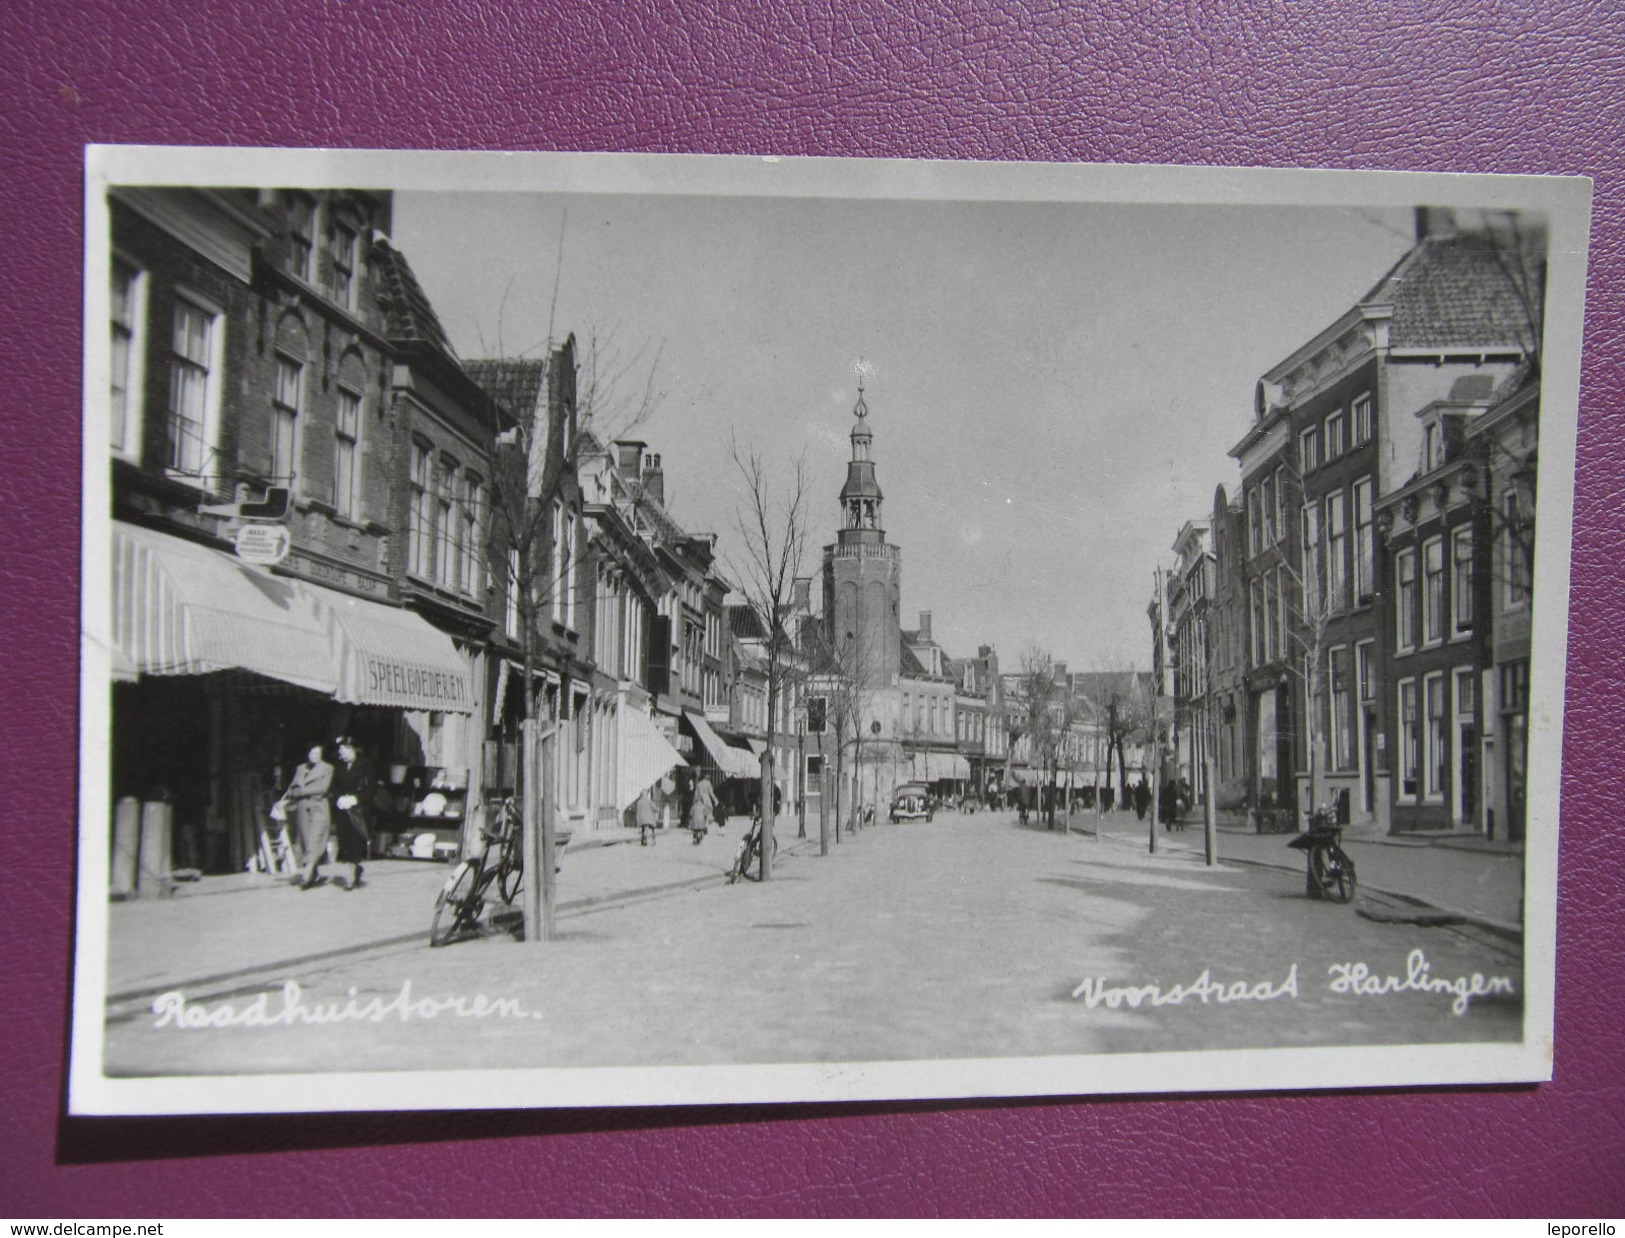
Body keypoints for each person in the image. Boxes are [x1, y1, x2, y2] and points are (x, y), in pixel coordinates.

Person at [286, 744, 335, 890]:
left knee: (315, 839)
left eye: (317, 752)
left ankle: (306, 875)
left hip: (318, 807)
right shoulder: (301, 768)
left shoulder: (327, 768)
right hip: (302, 808)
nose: (314, 755)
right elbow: (292, 787)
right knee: (307, 841)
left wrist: (300, 792)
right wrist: (297, 791)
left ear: (321, 754)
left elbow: (322, 788)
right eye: (311, 752)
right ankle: (314, 874)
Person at [329, 736, 374, 890]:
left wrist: (356, 798)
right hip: (342, 810)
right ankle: (355, 869)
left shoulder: (365, 765)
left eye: (343, 750)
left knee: (355, 842)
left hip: (358, 811)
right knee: (345, 843)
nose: (340, 753)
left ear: (352, 749)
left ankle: (350, 876)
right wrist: (338, 798)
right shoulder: (339, 766)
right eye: (340, 750)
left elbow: (372, 788)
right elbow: (333, 786)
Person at [690, 775, 717, 845]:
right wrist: (715, 800)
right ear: (708, 779)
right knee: (707, 813)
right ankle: (704, 828)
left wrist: (695, 802)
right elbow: (711, 793)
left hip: (699, 798)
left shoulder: (698, 784)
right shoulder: (708, 783)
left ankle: (700, 831)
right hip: (706, 799)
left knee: (698, 811)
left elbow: (696, 794)